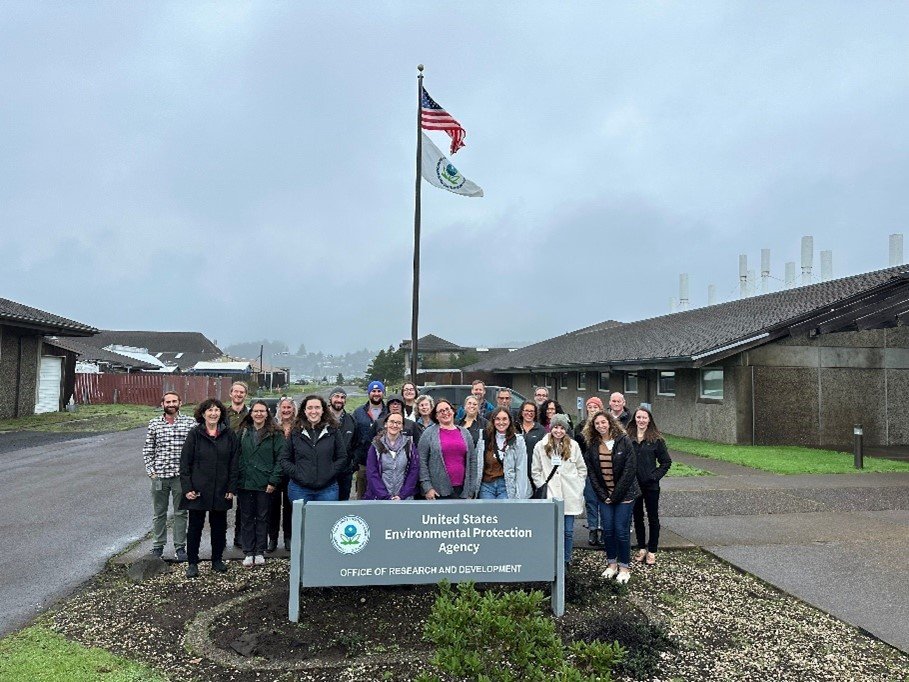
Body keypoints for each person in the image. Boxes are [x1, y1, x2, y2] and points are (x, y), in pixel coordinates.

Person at [179, 398, 239, 578]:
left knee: (219, 526)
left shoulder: (229, 435)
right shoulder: (195, 434)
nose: (213, 413)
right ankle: (192, 562)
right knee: (195, 526)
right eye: (210, 410)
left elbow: (234, 463)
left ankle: (217, 559)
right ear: (203, 413)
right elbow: (185, 462)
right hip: (198, 488)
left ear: (221, 413)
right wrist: (187, 487)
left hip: (221, 488)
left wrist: (231, 487)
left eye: (217, 410)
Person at [582, 411, 639, 585]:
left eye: (603, 422)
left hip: (624, 495)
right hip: (605, 496)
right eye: (597, 423)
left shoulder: (623, 440)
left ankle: (624, 567)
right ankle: (611, 564)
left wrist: (615, 496)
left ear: (610, 423)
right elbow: (591, 472)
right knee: (608, 531)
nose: (600, 426)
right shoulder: (592, 444)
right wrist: (603, 495)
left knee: (621, 531)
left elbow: (630, 470)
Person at [142, 391, 195, 561]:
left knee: (181, 512)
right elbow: (148, 449)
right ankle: (158, 546)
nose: (171, 404)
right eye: (168, 401)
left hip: (181, 477)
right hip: (160, 477)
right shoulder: (154, 424)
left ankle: (180, 548)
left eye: (174, 401)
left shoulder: (190, 423)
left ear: (180, 402)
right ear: (162, 404)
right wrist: (152, 472)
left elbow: (195, 449)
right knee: (159, 513)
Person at [531, 413, 586, 570]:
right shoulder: (540, 446)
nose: (559, 431)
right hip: (551, 493)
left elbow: (582, 469)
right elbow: (536, 471)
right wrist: (543, 486)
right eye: (556, 427)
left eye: (562, 428)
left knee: (568, 531)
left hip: (570, 493)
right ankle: (552, 559)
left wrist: (579, 485)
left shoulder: (573, 446)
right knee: (552, 531)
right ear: (551, 427)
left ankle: (566, 559)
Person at [235, 401, 284, 568]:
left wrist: (273, 480)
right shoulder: (243, 432)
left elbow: (280, 459)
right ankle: (248, 551)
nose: (258, 414)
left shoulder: (275, 433)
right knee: (247, 517)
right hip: (245, 481)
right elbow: (236, 455)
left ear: (267, 413)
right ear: (251, 413)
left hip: (265, 483)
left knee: (263, 517)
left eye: (262, 411)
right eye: (255, 411)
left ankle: (260, 551)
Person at [280, 394, 347, 503]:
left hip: (328, 489)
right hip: (299, 489)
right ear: (304, 411)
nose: (313, 411)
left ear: (323, 410)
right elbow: (284, 459)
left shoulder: (333, 431)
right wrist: (298, 474)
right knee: (302, 519)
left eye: (317, 407)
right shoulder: (295, 432)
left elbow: (342, 457)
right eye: (309, 408)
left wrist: (329, 473)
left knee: (325, 520)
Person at [630, 406, 672, 566]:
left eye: (644, 418)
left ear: (649, 420)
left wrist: (654, 476)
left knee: (653, 517)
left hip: (651, 486)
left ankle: (652, 550)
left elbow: (666, 462)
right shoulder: (628, 438)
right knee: (637, 517)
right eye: (638, 417)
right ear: (635, 419)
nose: (641, 420)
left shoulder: (656, 440)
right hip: (634, 486)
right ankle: (641, 548)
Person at [419, 399, 479, 499]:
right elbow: (421, 461)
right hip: (437, 492)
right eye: (441, 411)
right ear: (436, 416)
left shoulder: (465, 433)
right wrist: (427, 488)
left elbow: (472, 461)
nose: (445, 413)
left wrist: (471, 490)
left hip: (462, 491)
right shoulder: (428, 433)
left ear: (453, 411)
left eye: (447, 409)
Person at [476, 407, 530, 499]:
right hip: (487, 485)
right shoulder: (484, 437)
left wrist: (520, 495)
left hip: (506, 485)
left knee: (504, 513)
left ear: (509, 421)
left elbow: (521, 468)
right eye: (497, 419)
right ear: (493, 421)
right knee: (489, 513)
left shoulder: (517, 440)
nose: (501, 422)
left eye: (504, 419)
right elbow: (478, 463)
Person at [364, 413, 420, 500]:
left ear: (402, 426)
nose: (394, 425)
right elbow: (372, 472)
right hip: (379, 498)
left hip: (404, 498)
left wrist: (402, 495)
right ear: (386, 424)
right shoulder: (376, 445)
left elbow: (413, 471)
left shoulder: (409, 445)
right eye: (392, 422)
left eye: (398, 423)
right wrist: (385, 496)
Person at [575, 396, 605, 547]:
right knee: (591, 501)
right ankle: (593, 529)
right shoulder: (580, 427)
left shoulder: (605, 426)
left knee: (604, 501)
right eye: (590, 407)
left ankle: (604, 530)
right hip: (587, 470)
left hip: (604, 470)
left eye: (595, 407)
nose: (592, 410)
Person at [352, 381, 388, 498]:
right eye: (373, 391)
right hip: (364, 463)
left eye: (379, 391)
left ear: (383, 393)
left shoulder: (389, 412)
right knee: (363, 496)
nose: (376, 394)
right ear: (369, 393)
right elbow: (354, 437)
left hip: (385, 462)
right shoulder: (358, 412)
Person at [224, 381, 249, 549]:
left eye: (242, 392)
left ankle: (239, 536)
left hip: (245, 463)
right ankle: (221, 537)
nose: (238, 395)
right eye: (236, 392)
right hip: (225, 462)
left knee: (243, 504)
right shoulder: (223, 414)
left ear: (245, 395)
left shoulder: (252, 414)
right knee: (223, 502)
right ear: (230, 394)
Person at [269, 397, 296, 552]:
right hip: (274, 472)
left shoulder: (298, 427)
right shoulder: (273, 426)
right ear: (279, 409)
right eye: (283, 408)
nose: (286, 411)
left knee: (289, 507)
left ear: (293, 409)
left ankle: (288, 537)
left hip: (291, 473)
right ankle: (272, 538)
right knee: (272, 507)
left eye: (289, 408)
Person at [328, 387, 358, 502]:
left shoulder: (351, 420)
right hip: (326, 471)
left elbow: (356, 444)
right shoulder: (321, 419)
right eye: (336, 396)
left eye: (342, 397)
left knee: (343, 503)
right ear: (330, 399)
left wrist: (353, 464)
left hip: (345, 472)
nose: (339, 400)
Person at [517, 401, 546, 489]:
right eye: (526, 411)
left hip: (534, 471)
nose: (529, 413)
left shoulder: (541, 430)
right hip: (518, 471)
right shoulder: (515, 427)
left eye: (532, 411)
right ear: (522, 412)